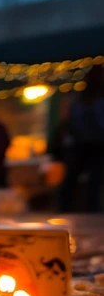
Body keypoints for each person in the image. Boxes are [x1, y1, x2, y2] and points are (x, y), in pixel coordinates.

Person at [56, 65, 104, 212]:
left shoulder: (85, 100)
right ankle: (67, 208)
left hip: (93, 145)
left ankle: (89, 209)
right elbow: (67, 122)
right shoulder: (78, 99)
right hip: (83, 144)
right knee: (77, 179)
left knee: (92, 181)